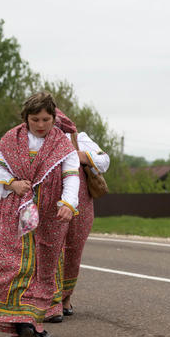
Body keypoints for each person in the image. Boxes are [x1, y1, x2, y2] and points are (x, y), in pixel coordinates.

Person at [0, 92, 80, 337]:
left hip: (50, 213)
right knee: (13, 263)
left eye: (46, 119)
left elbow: (71, 176)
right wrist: (12, 183)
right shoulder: (10, 139)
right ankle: (18, 318)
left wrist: (69, 203)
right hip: (16, 209)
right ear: (25, 118)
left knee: (42, 267)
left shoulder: (63, 145)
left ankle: (31, 320)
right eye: (35, 119)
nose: (40, 125)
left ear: (54, 117)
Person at [48, 111, 111, 323]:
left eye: (51, 119)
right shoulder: (35, 140)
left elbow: (104, 161)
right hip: (48, 204)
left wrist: (78, 155)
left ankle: (65, 298)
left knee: (73, 250)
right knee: (51, 249)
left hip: (80, 204)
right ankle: (51, 301)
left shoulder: (77, 137)